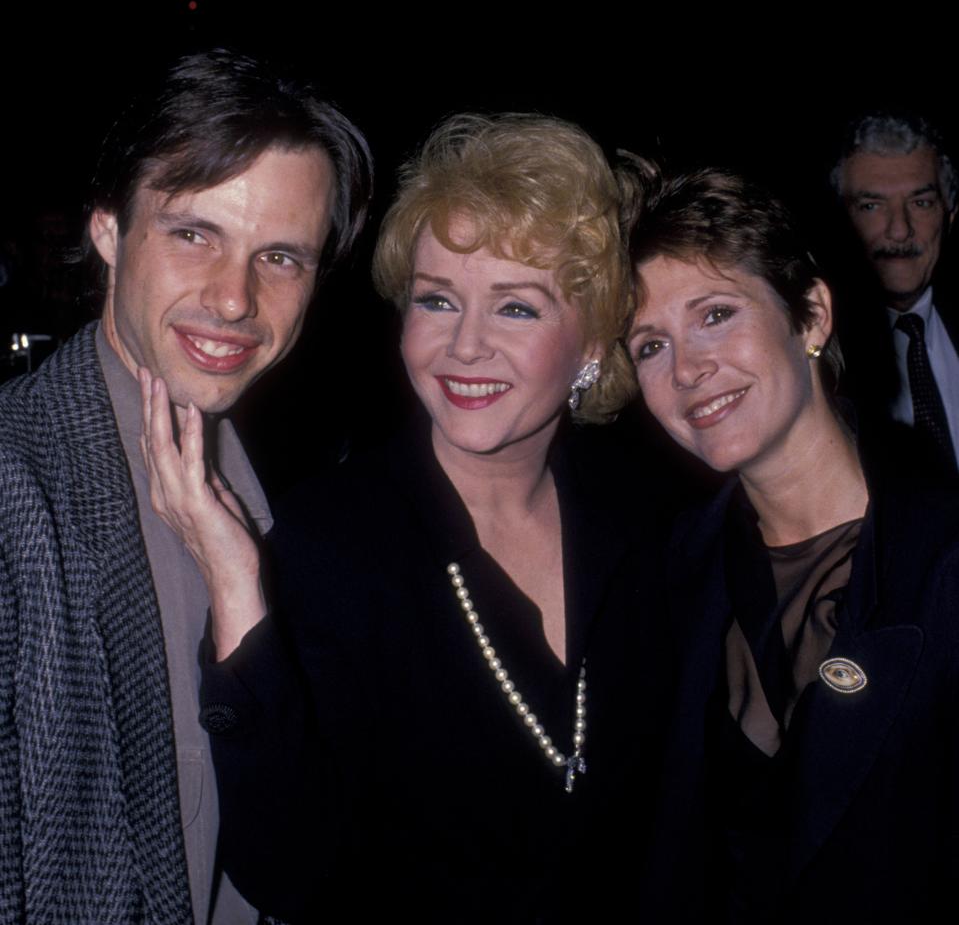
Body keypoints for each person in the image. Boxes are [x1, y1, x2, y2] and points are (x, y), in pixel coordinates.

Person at [143, 113, 666, 922]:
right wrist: (241, 591)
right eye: (437, 300)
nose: (464, 345)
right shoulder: (329, 544)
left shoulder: (648, 525)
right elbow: (284, 869)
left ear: (594, 339)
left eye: (516, 309)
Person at [0, 48, 372, 924]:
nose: (236, 297)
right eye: (194, 234)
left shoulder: (267, 486)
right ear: (106, 230)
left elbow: (292, 860)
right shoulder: (18, 487)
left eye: (281, 256)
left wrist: (241, 593)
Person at [620, 159, 959, 922]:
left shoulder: (941, 561)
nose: (688, 368)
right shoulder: (671, 568)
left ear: (810, 316)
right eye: (649, 344)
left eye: (714, 313)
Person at [832, 112, 959, 473]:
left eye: (920, 203)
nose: (899, 231)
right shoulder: (817, 359)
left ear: (950, 215)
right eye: (871, 206)